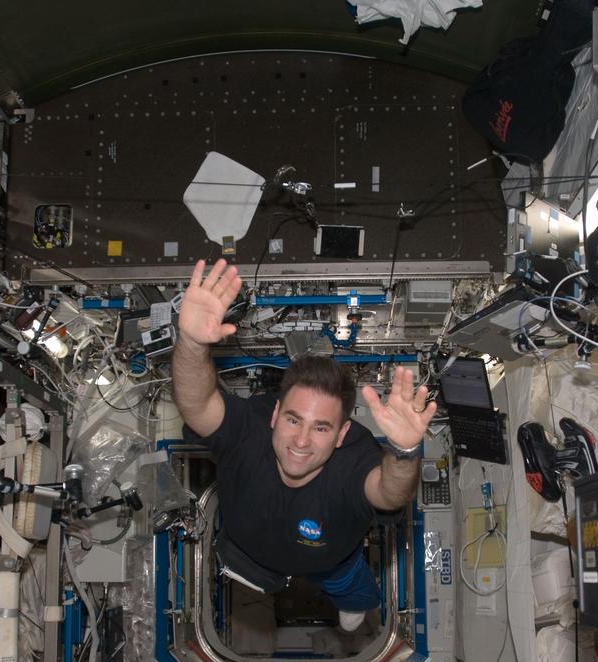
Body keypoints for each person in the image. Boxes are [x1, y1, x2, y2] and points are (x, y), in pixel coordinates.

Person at [172, 258, 437, 632]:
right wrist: (192, 342)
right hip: (248, 556)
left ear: (341, 434)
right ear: (275, 414)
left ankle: (352, 599)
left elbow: (389, 494)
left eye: (321, 428)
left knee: (355, 595)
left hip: (332, 563)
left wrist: (404, 450)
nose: (300, 440)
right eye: (294, 420)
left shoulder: (354, 458)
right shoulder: (249, 428)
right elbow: (198, 405)